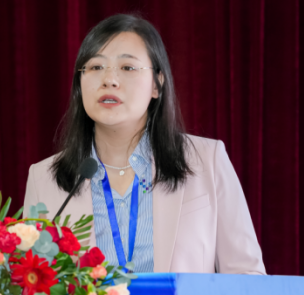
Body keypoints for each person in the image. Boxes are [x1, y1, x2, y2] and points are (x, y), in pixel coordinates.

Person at [23, 14, 266, 274]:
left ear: (157, 85)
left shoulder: (207, 161)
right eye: (95, 67)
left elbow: (247, 277)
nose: (109, 80)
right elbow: (30, 282)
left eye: (127, 67)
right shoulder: (43, 179)